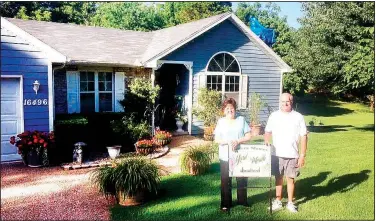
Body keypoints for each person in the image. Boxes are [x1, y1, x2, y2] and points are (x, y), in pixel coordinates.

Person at [264, 93, 308, 213]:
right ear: (280, 102)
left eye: (287, 101)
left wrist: (302, 155)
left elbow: (304, 136)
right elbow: (267, 132)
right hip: (277, 154)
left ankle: (290, 203)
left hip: (292, 154)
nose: (285, 103)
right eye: (282, 101)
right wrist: (267, 141)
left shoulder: (298, 117)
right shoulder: (274, 116)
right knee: (278, 178)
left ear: (291, 102)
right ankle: (278, 201)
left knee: (290, 179)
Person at [214, 98, 252, 212]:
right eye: (227, 108)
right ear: (224, 110)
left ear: (235, 109)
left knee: (241, 178)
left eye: (232, 108)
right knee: (225, 179)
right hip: (225, 156)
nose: (230, 110)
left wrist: (237, 141)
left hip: (240, 155)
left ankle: (242, 201)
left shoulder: (241, 120)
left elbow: (249, 136)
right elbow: (217, 139)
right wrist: (228, 141)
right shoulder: (221, 122)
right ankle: (226, 204)